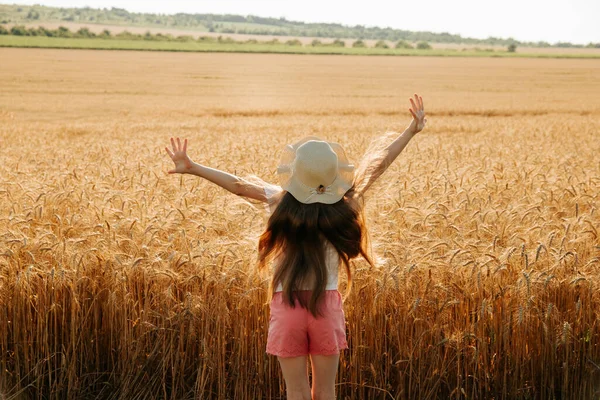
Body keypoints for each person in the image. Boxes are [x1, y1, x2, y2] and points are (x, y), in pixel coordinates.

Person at [165, 94, 427, 400]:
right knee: (325, 391)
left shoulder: (280, 200)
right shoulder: (345, 206)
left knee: (297, 391)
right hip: (326, 305)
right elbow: (376, 167)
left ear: (295, 173)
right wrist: (410, 130)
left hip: (287, 303)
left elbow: (238, 185)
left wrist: (193, 167)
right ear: (333, 174)